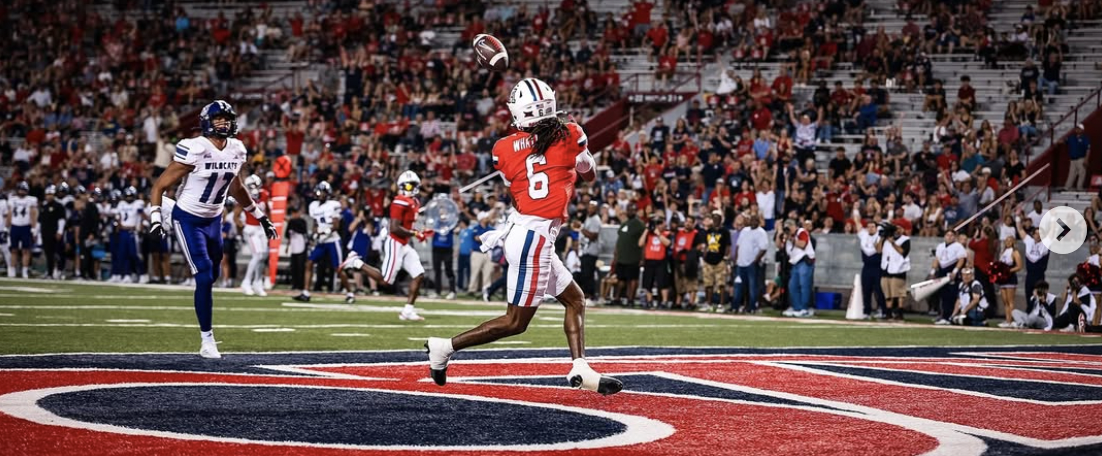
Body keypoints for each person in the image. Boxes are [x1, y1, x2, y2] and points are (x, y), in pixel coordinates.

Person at [424, 78, 622, 395]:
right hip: (534, 239)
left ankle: (580, 367)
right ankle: (444, 347)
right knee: (516, 322)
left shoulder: (502, 149)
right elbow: (589, 174)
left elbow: (520, 194)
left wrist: (504, 229)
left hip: (527, 232)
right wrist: (580, 159)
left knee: (575, 299)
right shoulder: (571, 133)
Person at [149, 100, 278, 358]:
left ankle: (207, 330)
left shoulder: (237, 149)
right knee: (205, 276)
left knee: (215, 271)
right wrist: (154, 217)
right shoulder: (194, 148)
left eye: (227, 118)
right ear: (207, 122)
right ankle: (207, 339)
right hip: (188, 218)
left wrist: (260, 216)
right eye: (219, 118)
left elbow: (237, 187)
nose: (225, 123)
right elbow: (158, 186)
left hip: (215, 219)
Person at [340, 171, 431, 320]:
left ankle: (408, 311)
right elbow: (395, 228)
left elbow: (407, 225)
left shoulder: (415, 202)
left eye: (412, 185)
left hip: (404, 244)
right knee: (385, 281)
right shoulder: (399, 201)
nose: (410, 189)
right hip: (395, 242)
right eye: (407, 186)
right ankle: (355, 262)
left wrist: (418, 232)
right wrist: (415, 234)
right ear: (401, 187)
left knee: (419, 275)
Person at [294, 181, 351, 303]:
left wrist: (323, 232)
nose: (319, 194)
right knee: (309, 263)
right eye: (318, 192)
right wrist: (315, 233)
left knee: (338, 268)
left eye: (322, 192)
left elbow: (336, 225)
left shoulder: (333, 205)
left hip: (332, 240)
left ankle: (350, 293)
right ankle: (306, 292)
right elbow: (315, 223)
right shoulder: (313, 205)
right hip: (321, 241)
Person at [238, 174, 270, 296]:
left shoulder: (265, 195)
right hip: (251, 228)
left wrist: (269, 226)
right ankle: (246, 282)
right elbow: (236, 215)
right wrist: (242, 227)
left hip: (261, 229)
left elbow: (268, 212)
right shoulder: (243, 196)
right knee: (257, 255)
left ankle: (258, 283)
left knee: (263, 256)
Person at [732, 212, 768, 313]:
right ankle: (735, 306)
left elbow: (763, 248)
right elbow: (738, 245)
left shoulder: (761, 232)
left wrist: (755, 260)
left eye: (755, 220)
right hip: (740, 263)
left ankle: (752, 307)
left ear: (759, 221)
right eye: (752, 220)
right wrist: (736, 258)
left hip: (751, 264)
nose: (753, 222)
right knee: (738, 286)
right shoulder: (744, 230)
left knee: (753, 287)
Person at [610, 203, 645, 306]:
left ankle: (631, 299)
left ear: (636, 211)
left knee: (632, 280)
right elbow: (619, 239)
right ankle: (617, 298)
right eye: (629, 210)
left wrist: (642, 258)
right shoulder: (624, 223)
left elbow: (643, 243)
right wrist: (616, 254)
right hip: (621, 257)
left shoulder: (639, 224)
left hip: (633, 257)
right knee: (620, 279)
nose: (631, 212)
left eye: (633, 210)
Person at [855, 208, 887, 318]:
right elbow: (857, 222)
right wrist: (855, 209)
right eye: (868, 227)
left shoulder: (880, 236)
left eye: (872, 226)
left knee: (879, 290)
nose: (870, 228)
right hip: (867, 267)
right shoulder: (864, 235)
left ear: (876, 227)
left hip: (877, 267)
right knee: (866, 290)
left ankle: (883, 311)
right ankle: (867, 312)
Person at [931, 228, 968, 325]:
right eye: (947, 235)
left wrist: (955, 271)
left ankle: (949, 316)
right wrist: (933, 271)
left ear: (955, 237)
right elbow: (937, 259)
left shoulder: (958, 246)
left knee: (951, 295)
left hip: (952, 272)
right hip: (942, 272)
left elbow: (961, 259)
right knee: (943, 295)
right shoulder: (940, 246)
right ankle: (943, 315)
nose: (949, 237)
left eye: (951, 235)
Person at [878, 219, 912, 320]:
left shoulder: (905, 239)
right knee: (887, 291)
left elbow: (902, 251)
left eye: (900, 228)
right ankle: (888, 313)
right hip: (886, 267)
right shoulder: (886, 239)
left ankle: (899, 313)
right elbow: (878, 250)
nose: (898, 230)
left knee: (898, 292)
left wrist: (893, 243)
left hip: (899, 268)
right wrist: (881, 238)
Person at [781, 218, 815, 317]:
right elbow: (780, 246)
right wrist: (780, 232)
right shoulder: (788, 237)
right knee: (792, 286)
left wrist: (791, 239)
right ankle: (797, 308)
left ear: (793, 226)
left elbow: (803, 244)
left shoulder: (801, 232)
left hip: (804, 261)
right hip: (795, 263)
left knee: (804, 285)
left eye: (789, 228)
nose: (788, 230)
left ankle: (805, 308)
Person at [114, 187, 146, 283]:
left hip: (133, 232)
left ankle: (142, 274)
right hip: (123, 232)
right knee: (123, 254)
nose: (128, 198)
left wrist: (140, 227)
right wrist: (119, 227)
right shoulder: (121, 204)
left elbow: (143, 216)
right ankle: (127, 274)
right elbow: (118, 217)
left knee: (135, 255)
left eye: (130, 196)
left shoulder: (138, 204)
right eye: (127, 196)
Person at [639, 214, 672, 308]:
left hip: (661, 261)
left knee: (663, 283)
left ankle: (664, 302)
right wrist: (646, 230)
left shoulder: (666, 234)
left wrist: (658, 234)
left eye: (659, 224)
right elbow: (640, 243)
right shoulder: (648, 234)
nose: (657, 226)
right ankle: (649, 301)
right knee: (647, 283)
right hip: (649, 260)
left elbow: (668, 243)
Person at [700, 212, 730, 311]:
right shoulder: (709, 231)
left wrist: (725, 257)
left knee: (721, 283)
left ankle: (721, 304)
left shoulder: (725, 231)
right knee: (708, 283)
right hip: (708, 259)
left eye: (718, 219)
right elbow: (705, 244)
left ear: (721, 220)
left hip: (719, 259)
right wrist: (704, 256)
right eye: (714, 218)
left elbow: (727, 245)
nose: (716, 220)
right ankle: (708, 302)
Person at [7, 182, 37, 279]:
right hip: (15, 226)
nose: (22, 191)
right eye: (20, 189)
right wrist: (6, 227)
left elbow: (33, 214)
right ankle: (12, 269)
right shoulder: (12, 200)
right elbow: (10, 214)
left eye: (24, 190)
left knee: (26, 250)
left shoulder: (31, 200)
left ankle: (24, 270)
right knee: (13, 249)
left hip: (26, 226)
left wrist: (33, 228)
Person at [1017, 215, 1049, 302]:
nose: (1038, 236)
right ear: (1033, 234)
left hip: (1039, 275)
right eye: (1036, 234)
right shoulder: (1029, 241)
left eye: (1040, 234)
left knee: (1039, 298)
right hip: (1029, 275)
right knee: (1029, 297)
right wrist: (1017, 217)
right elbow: (1020, 229)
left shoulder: (1045, 244)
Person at [466, 210, 497, 298]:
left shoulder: (490, 228)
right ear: (481, 219)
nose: (487, 219)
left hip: (488, 253)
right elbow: (477, 238)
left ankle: (486, 290)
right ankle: (472, 290)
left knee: (488, 273)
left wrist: (484, 238)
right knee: (475, 272)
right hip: (477, 252)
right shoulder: (476, 228)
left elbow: (494, 238)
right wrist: (487, 238)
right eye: (486, 218)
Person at [38, 185, 67, 280]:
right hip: (45, 232)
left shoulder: (58, 206)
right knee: (48, 254)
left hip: (54, 233)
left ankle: (58, 271)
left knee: (57, 253)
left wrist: (59, 231)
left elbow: (62, 220)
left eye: (51, 194)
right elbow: (40, 221)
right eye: (47, 194)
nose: (49, 196)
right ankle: (50, 272)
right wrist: (37, 233)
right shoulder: (44, 206)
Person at [995, 235, 1024, 328]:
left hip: (1010, 278)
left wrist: (1008, 271)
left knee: (1010, 301)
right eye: (1006, 240)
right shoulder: (1003, 252)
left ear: (1013, 242)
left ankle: (1011, 320)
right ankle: (1007, 320)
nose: (1008, 242)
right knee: (1005, 301)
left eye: (1010, 240)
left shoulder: (1015, 252)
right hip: (1003, 279)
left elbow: (1019, 266)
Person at [579, 201, 603, 302]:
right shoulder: (588, 217)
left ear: (596, 209)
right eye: (589, 207)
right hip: (586, 250)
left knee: (589, 273)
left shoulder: (596, 219)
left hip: (591, 251)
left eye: (592, 207)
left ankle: (590, 295)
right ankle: (586, 294)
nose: (590, 209)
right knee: (585, 273)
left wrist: (582, 229)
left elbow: (593, 236)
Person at [430, 216, 458, 300]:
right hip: (436, 248)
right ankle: (437, 291)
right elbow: (430, 231)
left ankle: (452, 291)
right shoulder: (434, 223)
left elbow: (456, 231)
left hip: (447, 249)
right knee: (437, 270)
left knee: (449, 270)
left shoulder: (450, 223)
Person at [286, 206, 308, 292]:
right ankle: (294, 284)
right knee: (294, 267)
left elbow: (303, 230)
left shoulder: (301, 221)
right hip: (294, 246)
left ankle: (300, 284)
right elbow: (287, 235)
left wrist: (292, 222)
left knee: (300, 266)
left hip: (301, 245)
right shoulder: (291, 222)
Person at [1065, 123, 1091, 190]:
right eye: (1076, 128)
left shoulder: (1085, 138)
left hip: (1081, 159)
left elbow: (1088, 149)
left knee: (1081, 174)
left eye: (1079, 128)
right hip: (1073, 159)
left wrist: (1086, 159)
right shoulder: (1072, 137)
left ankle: (1079, 187)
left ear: (1082, 130)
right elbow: (1065, 141)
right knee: (1071, 174)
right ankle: (1067, 187)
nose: (1077, 129)